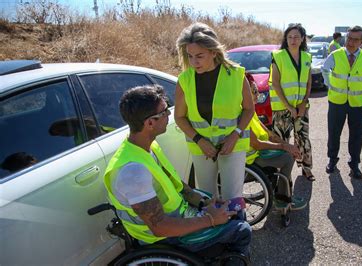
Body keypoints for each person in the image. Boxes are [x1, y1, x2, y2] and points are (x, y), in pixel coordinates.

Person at [103, 85, 251, 257]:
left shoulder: (147, 146)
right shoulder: (132, 172)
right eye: (164, 111)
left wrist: (203, 202)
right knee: (242, 230)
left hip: (182, 216)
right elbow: (160, 227)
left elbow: (176, 184)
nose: (169, 115)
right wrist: (210, 220)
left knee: (236, 209)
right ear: (150, 123)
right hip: (166, 238)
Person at [174, 22, 254, 202]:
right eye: (190, 56)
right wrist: (200, 141)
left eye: (200, 56)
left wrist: (235, 135)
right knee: (207, 198)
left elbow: (249, 109)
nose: (194, 62)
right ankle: (217, 229)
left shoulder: (236, 75)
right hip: (201, 147)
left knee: (232, 199)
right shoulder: (184, 80)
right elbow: (179, 117)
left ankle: (236, 229)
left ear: (213, 52)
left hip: (232, 144)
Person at [321, 25, 362, 179]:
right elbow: (324, 69)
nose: (351, 42)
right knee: (334, 133)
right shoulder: (335, 54)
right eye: (349, 38)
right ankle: (332, 160)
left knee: (357, 136)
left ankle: (354, 164)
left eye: (355, 39)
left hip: (358, 104)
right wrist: (330, 84)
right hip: (336, 102)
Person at [246, 74, 307, 210]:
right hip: (251, 159)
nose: (257, 94)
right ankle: (282, 197)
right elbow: (256, 144)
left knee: (289, 153)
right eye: (254, 91)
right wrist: (284, 147)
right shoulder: (243, 115)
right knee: (287, 158)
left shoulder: (251, 112)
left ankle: (284, 194)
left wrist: (288, 146)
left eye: (257, 91)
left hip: (260, 152)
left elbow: (270, 135)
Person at [269, 23, 314, 181]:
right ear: (286, 39)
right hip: (282, 107)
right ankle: (278, 173)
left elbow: (309, 83)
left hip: (301, 107)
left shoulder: (307, 57)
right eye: (289, 37)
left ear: (302, 39)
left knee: (303, 138)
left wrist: (302, 104)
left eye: (296, 37)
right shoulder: (278, 55)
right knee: (280, 141)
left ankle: (307, 169)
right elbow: (275, 83)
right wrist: (289, 107)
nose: (293, 40)